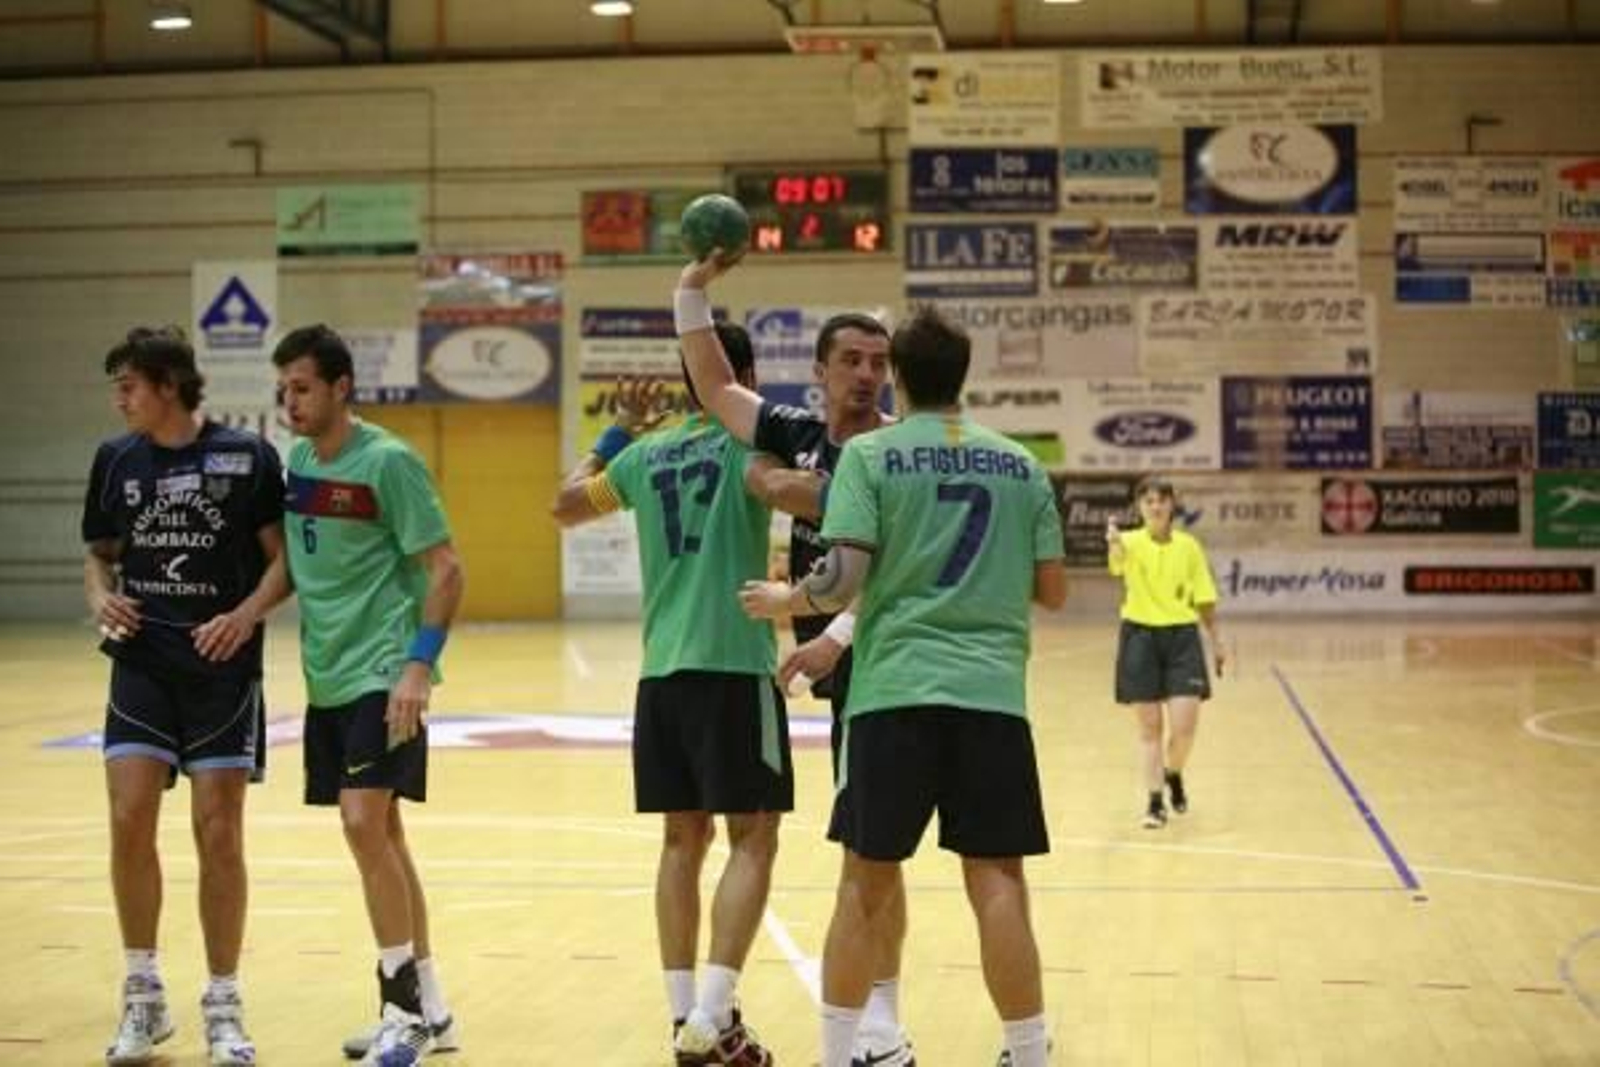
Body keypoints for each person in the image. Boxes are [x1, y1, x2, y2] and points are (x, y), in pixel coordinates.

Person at [739, 307, 1068, 1067]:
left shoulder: (872, 456)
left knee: (865, 881)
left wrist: (789, 599)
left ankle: (835, 1055)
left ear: (898, 376)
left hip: (893, 696)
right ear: (964, 374)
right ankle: (1027, 1052)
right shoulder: (1020, 464)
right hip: (991, 698)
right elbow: (1051, 590)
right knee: (997, 880)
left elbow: (841, 578)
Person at [673, 257, 917, 1066]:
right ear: (819, 371)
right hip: (839, 658)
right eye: (851, 360)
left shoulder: (898, 451)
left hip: (883, 653)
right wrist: (692, 289)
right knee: (864, 840)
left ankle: (882, 1018)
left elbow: (893, 570)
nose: (866, 374)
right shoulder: (796, 433)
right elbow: (714, 387)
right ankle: (873, 1018)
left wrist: (829, 632)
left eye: (879, 363)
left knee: (871, 847)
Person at [551, 325, 790, 1067]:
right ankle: (711, 1019)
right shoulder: (751, 445)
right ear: (739, 375)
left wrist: (616, 430)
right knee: (755, 836)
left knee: (681, 841)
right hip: (734, 664)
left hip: (661, 675)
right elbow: (798, 491)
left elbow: (564, 504)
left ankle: (685, 1013)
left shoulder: (643, 454)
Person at [82, 326, 288, 1066]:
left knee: (219, 832)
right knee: (130, 817)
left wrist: (244, 615)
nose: (119, 398)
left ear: (169, 384)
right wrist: (103, 597)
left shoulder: (248, 456)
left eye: (129, 384)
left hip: (221, 672)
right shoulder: (116, 459)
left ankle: (224, 1002)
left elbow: (283, 563)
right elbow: (99, 557)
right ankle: (144, 996)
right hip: (141, 665)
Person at [272, 325, 466, 1067]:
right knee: (383, 835)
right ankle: (433, 1005)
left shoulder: (388, 462)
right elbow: (293, 566)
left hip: (385, 672)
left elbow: (447, 569)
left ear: (341, 387)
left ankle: (400, 1007)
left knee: (362, 823)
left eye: (303, 386)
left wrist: (417, 667)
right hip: (327, 673)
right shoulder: (296, 463)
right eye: (284, 388)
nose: (291, 400)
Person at [1106, 478, 1225, 829]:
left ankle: (1173, 773)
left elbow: (1204, 598)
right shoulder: (1127, 542)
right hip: (1140, 637)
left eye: (1161, 501)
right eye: (1148, 501)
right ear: (1139, 508)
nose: (1155, 507)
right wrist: (1114, 542)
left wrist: (1216, 640)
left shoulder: (1189, 547)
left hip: (1182, 639)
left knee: (1185, 728)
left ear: (1172, 504)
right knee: (1150, 730)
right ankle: (1155, 801)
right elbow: (1117, 563)